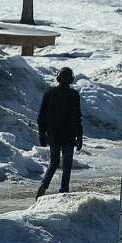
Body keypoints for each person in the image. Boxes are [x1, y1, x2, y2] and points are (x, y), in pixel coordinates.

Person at [36, 67, 83, 199]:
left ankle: (44, 184)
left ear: (58, 78)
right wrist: (79, 136)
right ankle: (63, 191)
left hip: (53, 135)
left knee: (54, 162)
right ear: (71, 80)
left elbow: (41, 116)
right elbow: (76, 117)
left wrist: (41, 133)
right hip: (68, 135)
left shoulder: (49, 93)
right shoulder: (73, 94)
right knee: (67, 164)